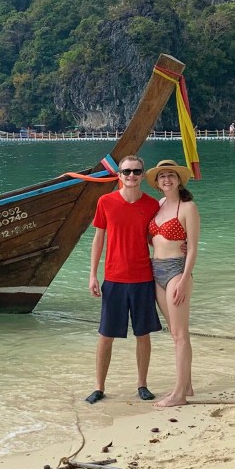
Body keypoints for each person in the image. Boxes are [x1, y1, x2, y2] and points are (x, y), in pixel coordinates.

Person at [86, 155, 162, 404]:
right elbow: (98, 238)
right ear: (119, 175)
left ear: (143, 175)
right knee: (105, 335)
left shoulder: (152, 205)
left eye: (136, 171)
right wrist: (92, 275)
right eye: (127, 171)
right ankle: (99, 387)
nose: (131, 176)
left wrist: (177, 248)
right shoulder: (105, 201)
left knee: (143, 334)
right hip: (114, 278)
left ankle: (142, 385)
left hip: (143, 278)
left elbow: (155, 239)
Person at [145, 159, 200, 408]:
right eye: (162, 176)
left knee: (180, 334)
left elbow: (193, 248)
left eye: (171, 175)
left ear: (179, 180)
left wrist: (185, 278)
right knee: (175, 334)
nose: (166, 179)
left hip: (177, 271)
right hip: (156, 270)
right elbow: (154, 239)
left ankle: (179, 395)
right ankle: (186, 385)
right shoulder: (158, 205)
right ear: (157, 183)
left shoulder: (188, 207)